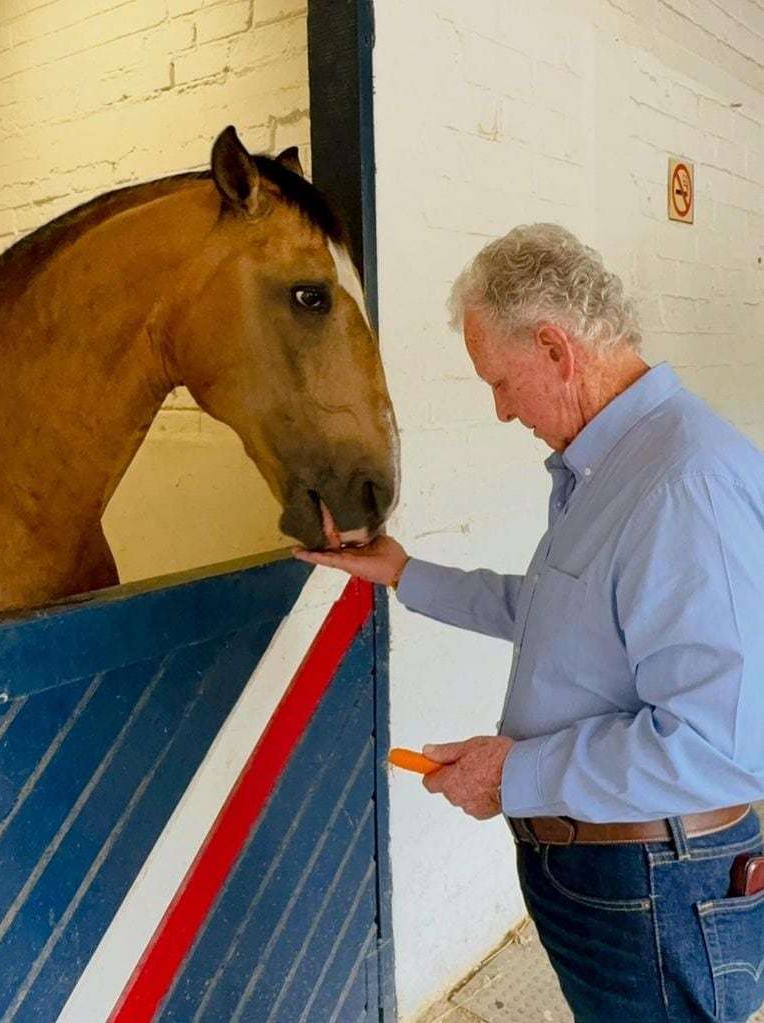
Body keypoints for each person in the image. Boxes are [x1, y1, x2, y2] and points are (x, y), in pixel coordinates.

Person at [294, 223, 764, 1023]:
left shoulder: (682, 484)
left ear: (555, 348)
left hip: (651, 884)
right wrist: (404, 572)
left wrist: (511, 774)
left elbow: (716, 745)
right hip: (617, 876)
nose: (502, 410)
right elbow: (555, 616)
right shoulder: (617, 464)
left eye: (500, 382)